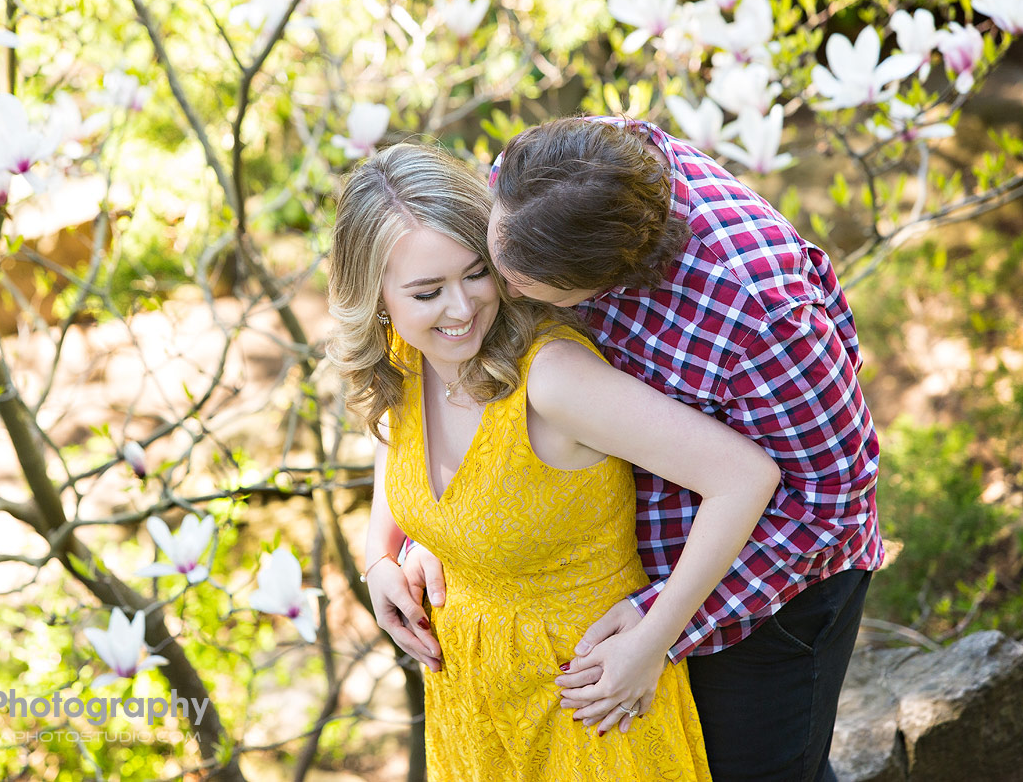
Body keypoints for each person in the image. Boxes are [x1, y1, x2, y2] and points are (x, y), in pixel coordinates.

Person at [386, 116, 884, 782]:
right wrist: (446, 526)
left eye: (520, 285)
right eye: (488, 257)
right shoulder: (545, 177)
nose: (490, 296)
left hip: (771, 579)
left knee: (753, 770)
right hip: (627, 561)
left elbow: (830, 504)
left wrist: (662, 626)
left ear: (611, 283)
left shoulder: (759, 312)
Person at [328, 141, 780, 781]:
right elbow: (397, 448)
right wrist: (381, 553)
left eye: (477, 273)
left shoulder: (553, 379)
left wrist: (655, 640)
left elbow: (744, 477)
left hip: (590, 709)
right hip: (472, 708)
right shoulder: (406, 356)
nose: (462, 310)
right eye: (428, 291)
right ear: (376, 300)